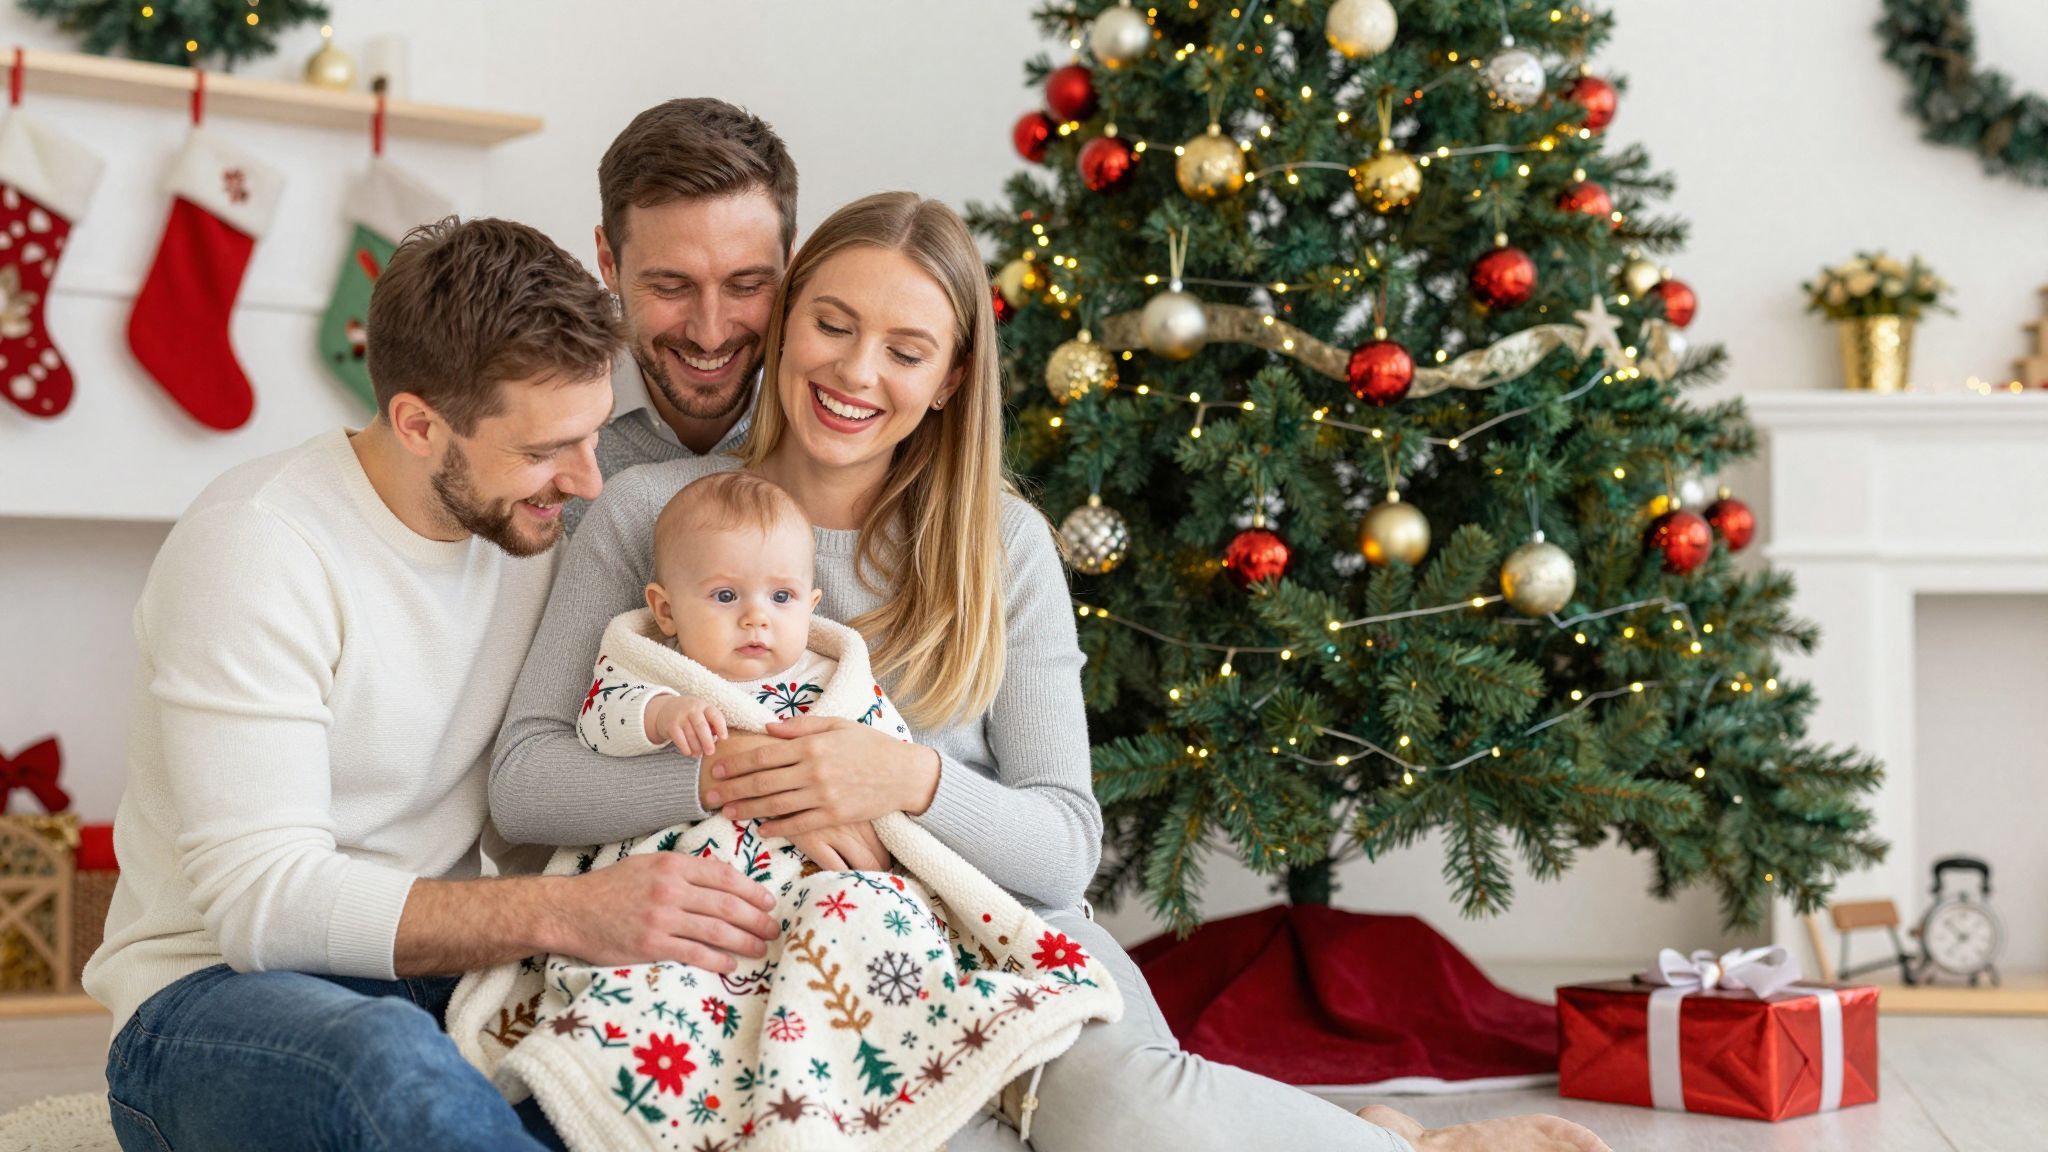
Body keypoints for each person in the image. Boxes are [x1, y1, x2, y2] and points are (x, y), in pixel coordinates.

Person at [491, 192, 1609, 1151]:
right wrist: (743, 779)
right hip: (760, 968)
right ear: (784, 330)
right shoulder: (648, 514)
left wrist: (903, 784)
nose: (854, 371)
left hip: (990, 940)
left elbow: (1064, 845)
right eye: (829, 325)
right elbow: (525, 782)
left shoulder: (1001, 545)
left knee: (1130, 1114)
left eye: (905, 349)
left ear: (950, 378)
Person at [83, 217, 783, 1152]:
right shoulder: (256, 546)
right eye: (545, 450)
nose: (585, 481)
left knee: (641, 1079)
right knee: (387, 1065)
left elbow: (536, 807)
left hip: (453, 978)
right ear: (418, 423)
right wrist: (572, 914)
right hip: (215, 1004)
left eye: (589, 434)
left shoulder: (530, 542)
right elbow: (264, 907)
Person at [576, 469, 899, 870]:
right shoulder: (655, 670)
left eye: (782, 596)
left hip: (813, 872)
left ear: (810, 606)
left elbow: (889, 757)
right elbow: (595, 726)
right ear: (665, 610)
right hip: (692, 866)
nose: (756, 617)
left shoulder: (836, 679)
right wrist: (659, 714)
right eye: (726, 595)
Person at [568, 97, 800, 533]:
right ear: (608, 262)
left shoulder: (826, 426)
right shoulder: (542, 432)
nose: (710, 334)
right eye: (670, 287)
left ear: (789, 262)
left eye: (746, 286)